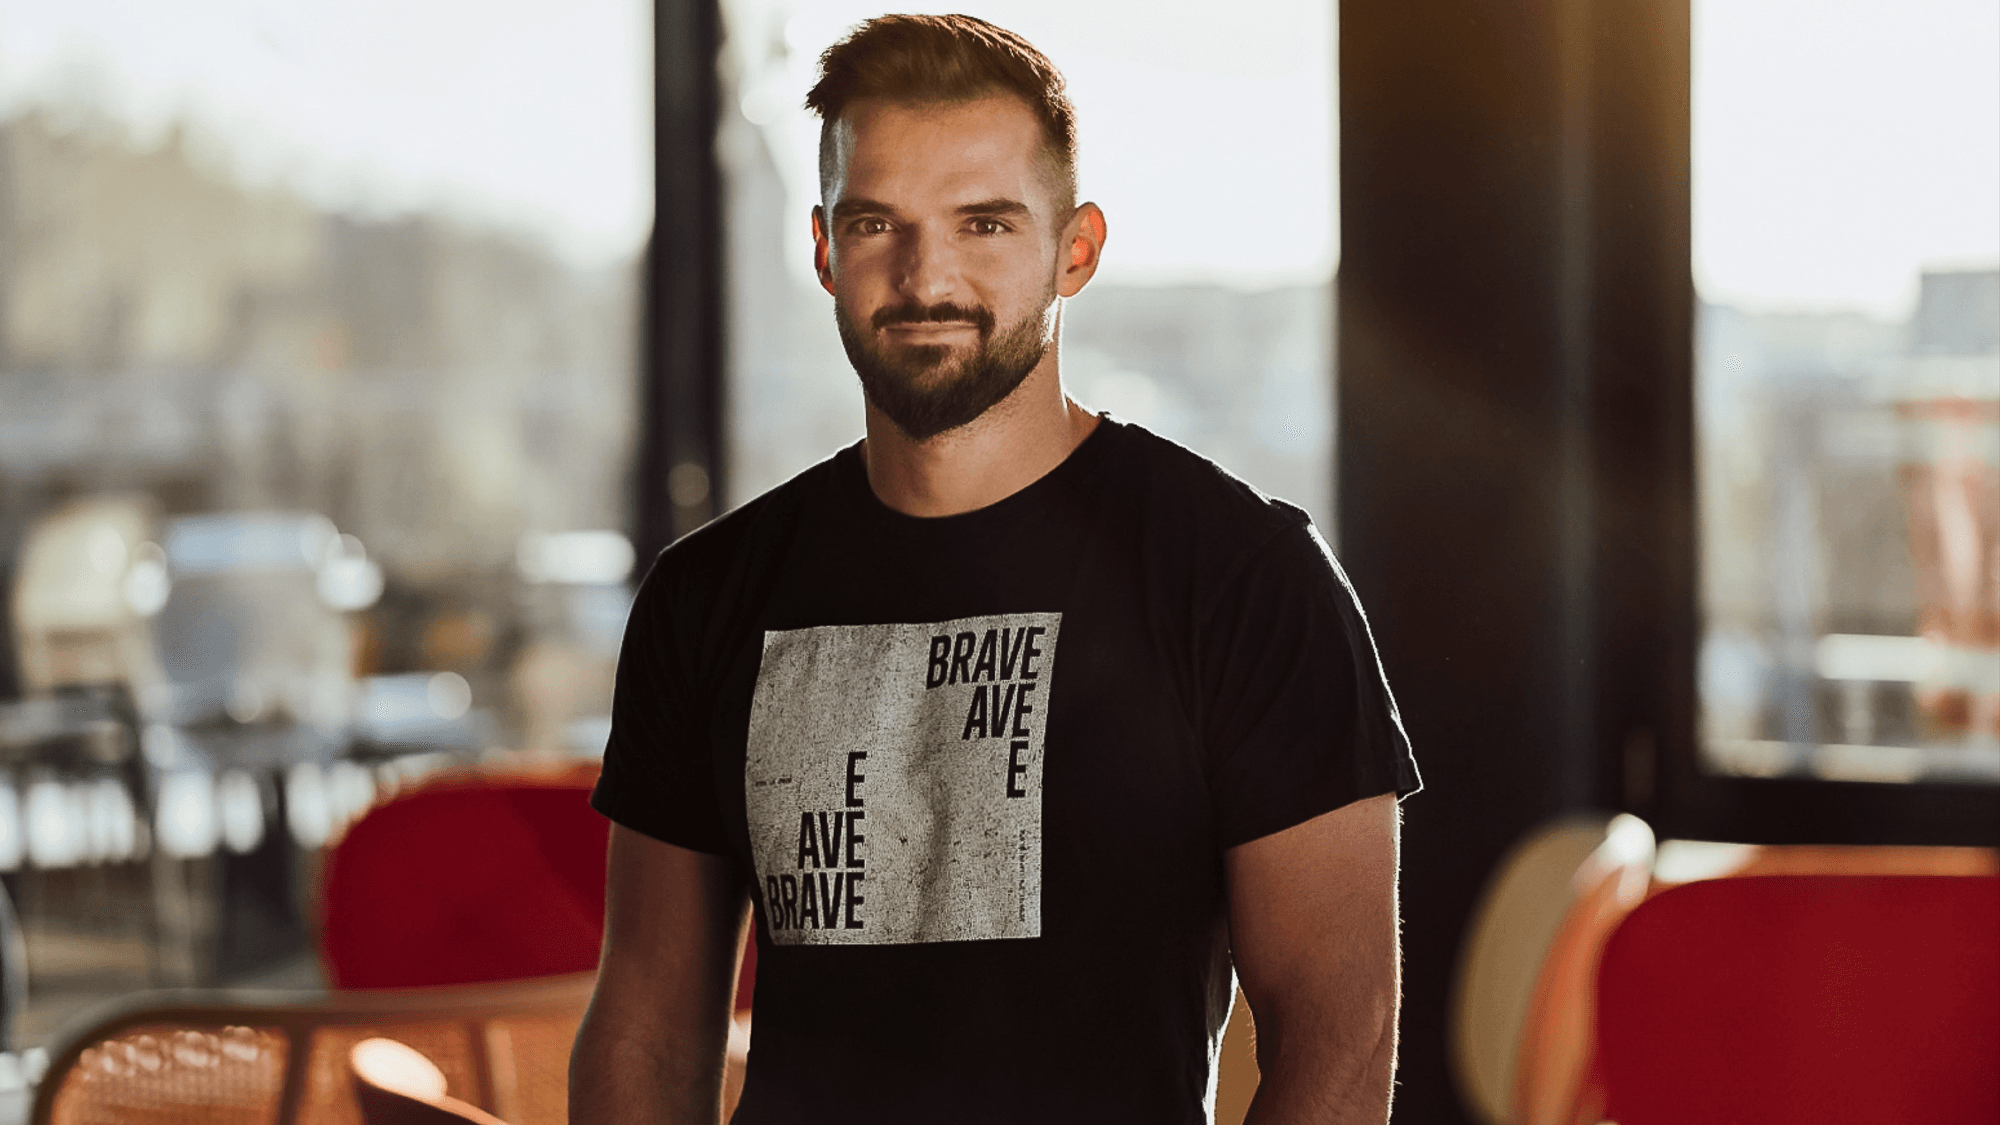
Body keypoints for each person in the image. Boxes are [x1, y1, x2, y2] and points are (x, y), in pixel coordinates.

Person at [571, 14, 1420, 1123]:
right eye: (878, 222)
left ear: (1075, 248)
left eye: (984, 224)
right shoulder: (706, 597)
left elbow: (1337, 1039)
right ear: (824, 248)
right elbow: (644, 1019)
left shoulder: (1242, 578)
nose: (927, 277)